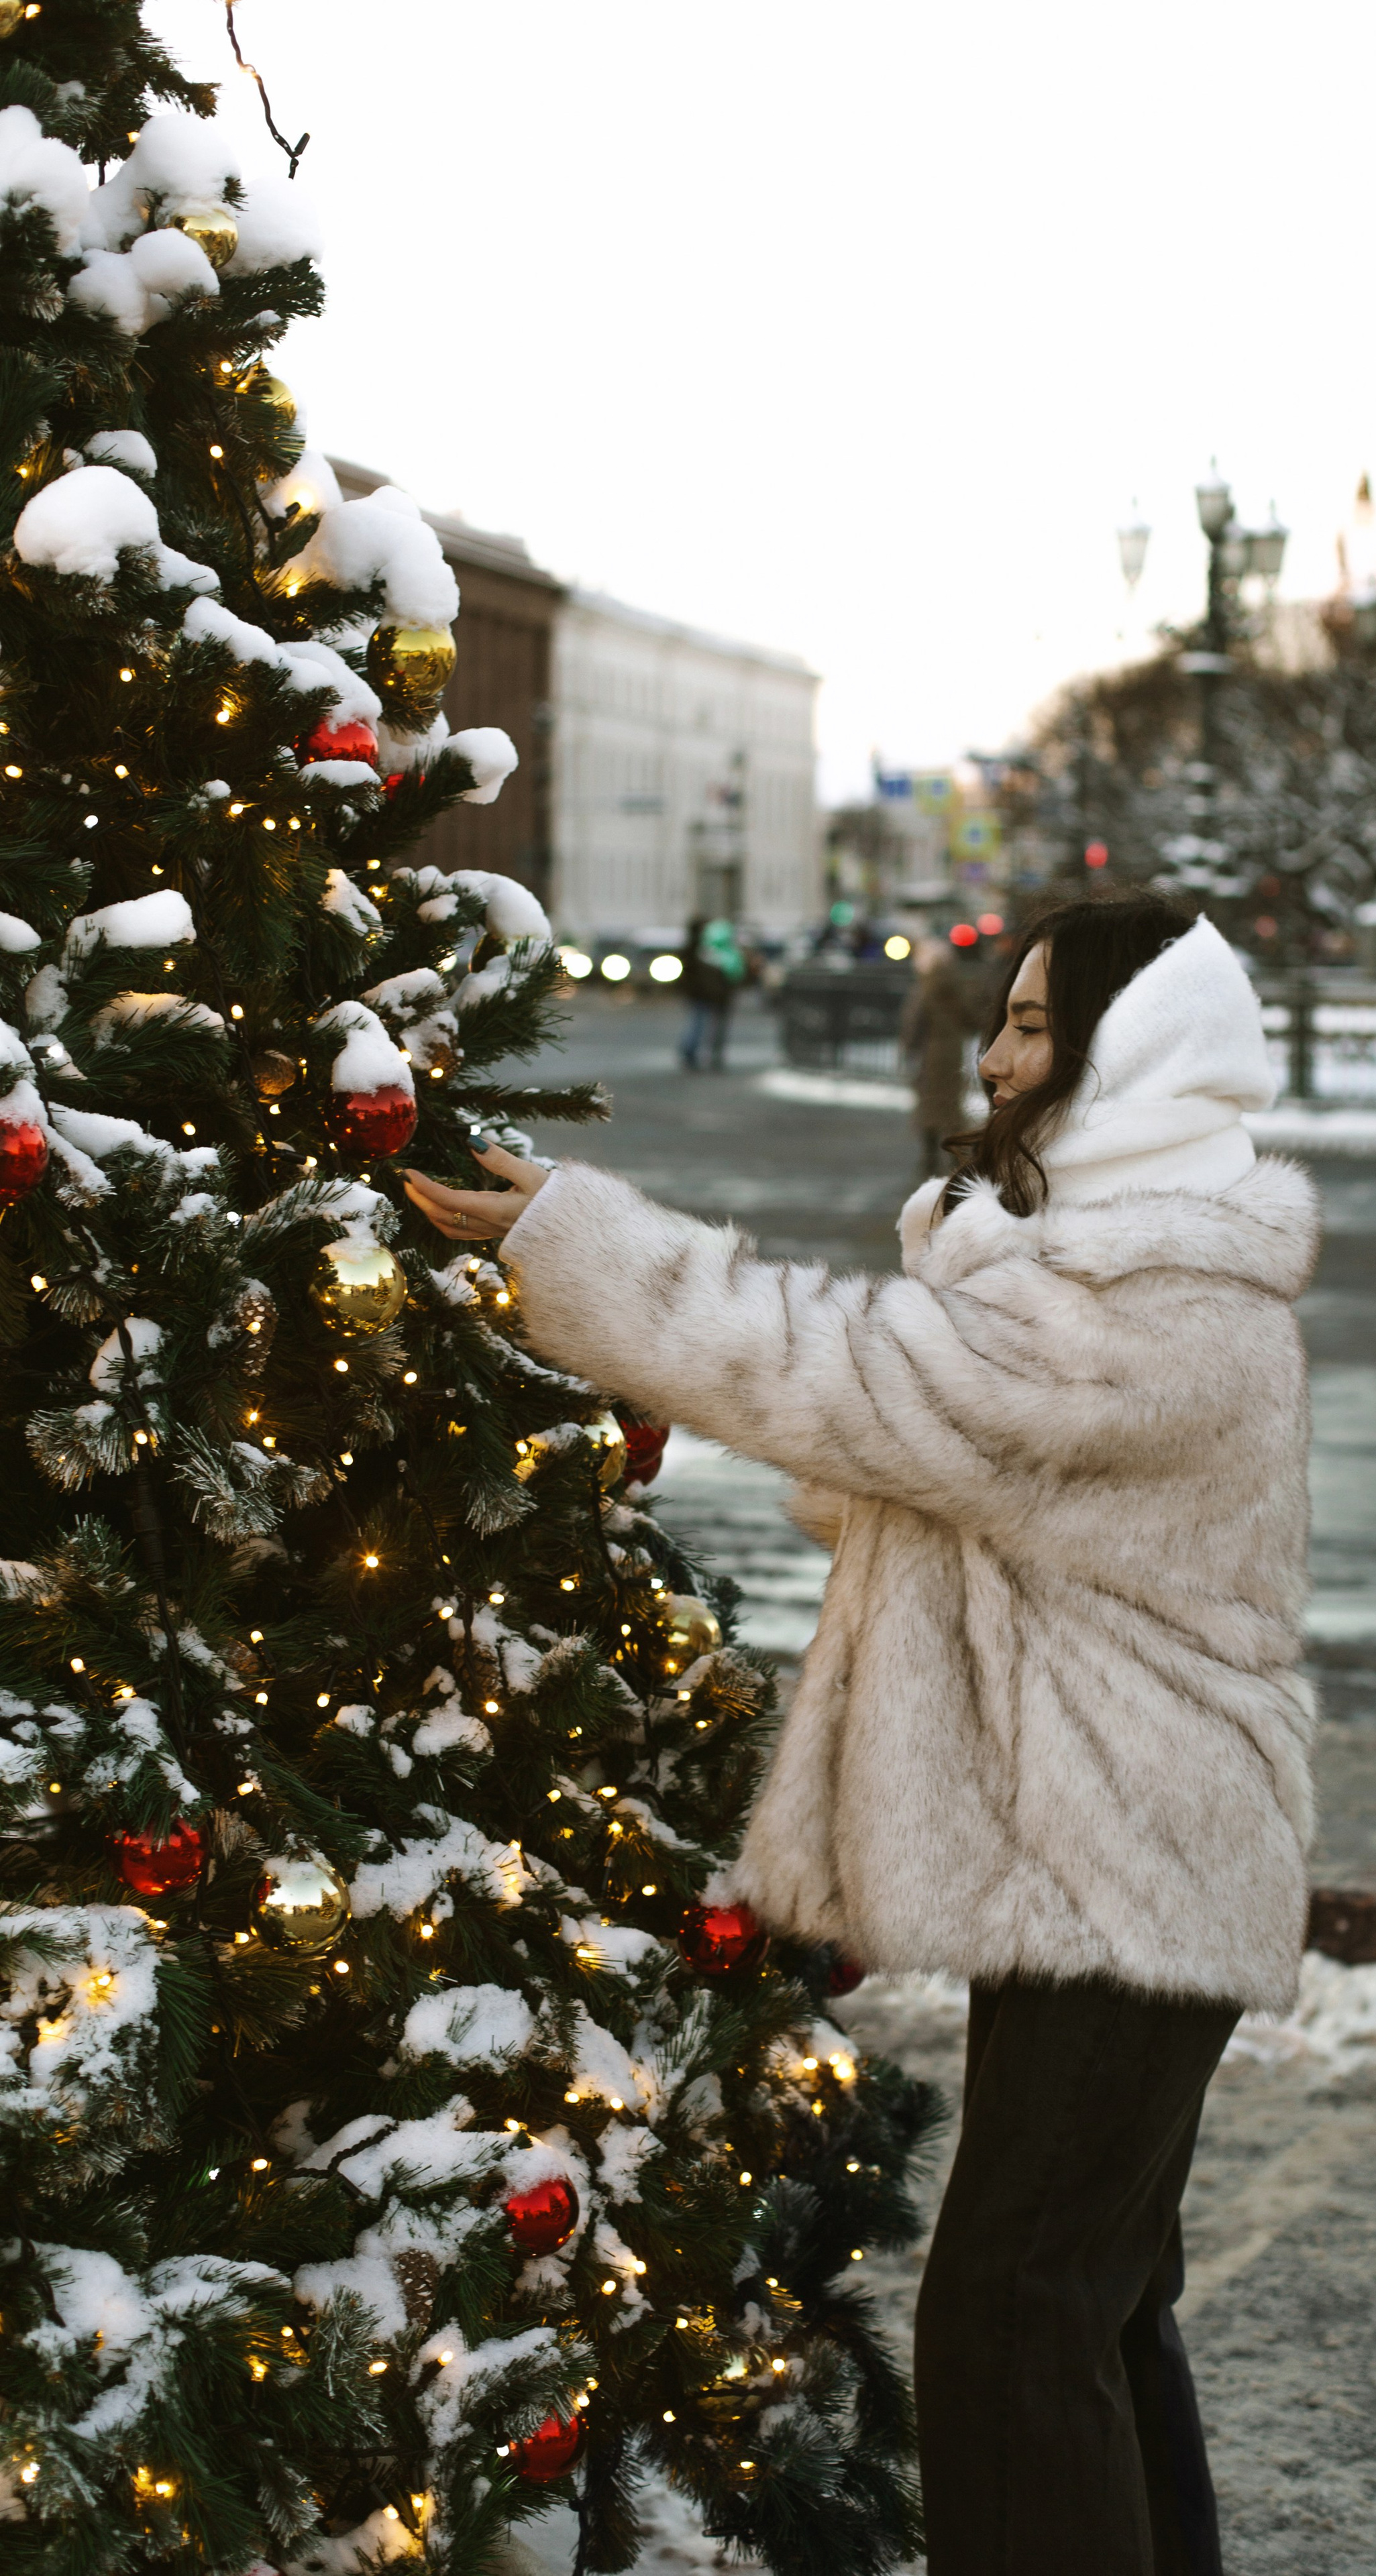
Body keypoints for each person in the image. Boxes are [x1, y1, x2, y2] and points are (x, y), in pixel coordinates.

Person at [405, 889, 1319, 2576]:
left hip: (1125, 1851)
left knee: (1017, 2309)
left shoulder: (1155, 1292)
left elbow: (843, 1387)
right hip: (1107, 1841)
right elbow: (885, 1457)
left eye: (1038, 1025)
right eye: (1008, 1015)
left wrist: (577, 1242)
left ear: (1136, 1057)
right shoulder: (1104, 1265)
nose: (995, 1050)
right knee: (1089, 2302)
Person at [900, 934, 990, 1179]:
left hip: (930, 1053)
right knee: (951, 1105)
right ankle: (954, 1154)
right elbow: (971, 1018)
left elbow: (914, 1022)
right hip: (952, 1051)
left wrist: (908, 1049)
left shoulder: (926, 987)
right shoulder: (955, 986)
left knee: (929, 1104)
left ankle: (930, 1157)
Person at [677, 917, 744, 1071]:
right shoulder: (723, 953)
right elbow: (736, 976)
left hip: (707, 996)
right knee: (710, 1027)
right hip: (715, 997)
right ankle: (709, 1056)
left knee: (700, 1025)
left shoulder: (703, 952)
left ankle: (696, 1054)